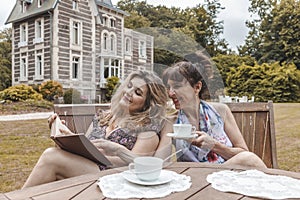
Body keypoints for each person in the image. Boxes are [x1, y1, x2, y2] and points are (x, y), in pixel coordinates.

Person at [22, 70, 169, 188]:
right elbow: (86, 147)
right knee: (54, 156)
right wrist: (65, 134)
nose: (129, 92)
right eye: (129, 86)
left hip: (113, 177)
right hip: (89, 170)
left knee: (51, 157)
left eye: (138, 92)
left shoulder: (146, 130)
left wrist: (117, 150)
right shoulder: (103, 117)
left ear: (147, 104)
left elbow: (137, 165)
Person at [161, 60, 267, 168]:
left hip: (225, 172)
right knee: (249, 159)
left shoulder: (221, 111)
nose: (170, 93)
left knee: (249, 158)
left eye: (177, 86)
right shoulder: (171, 121)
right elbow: (162, 162)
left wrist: (214, 145)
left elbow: (243, 152)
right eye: (169, 88)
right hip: (194, 176)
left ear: (197, 87)